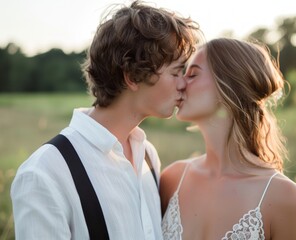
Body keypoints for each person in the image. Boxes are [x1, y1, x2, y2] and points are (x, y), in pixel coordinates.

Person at [11, 1, 199, 239]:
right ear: (132, 76)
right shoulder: (44, 173)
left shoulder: (148, 155)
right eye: (176, 72)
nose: (184, 84)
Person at [160, 38, 296, 240]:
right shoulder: (172, 179)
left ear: (229, 85)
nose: (180, 83)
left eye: (193, 74)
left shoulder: (287, 199)